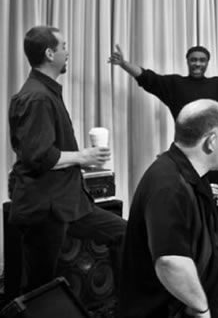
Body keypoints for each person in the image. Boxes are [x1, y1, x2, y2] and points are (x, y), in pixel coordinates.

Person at [8, 25, 126, 294]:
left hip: (66, 202)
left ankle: (127, 305)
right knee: (39, 287)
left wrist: (81, 159)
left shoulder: (44, 92)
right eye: (63, 47)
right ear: (50, 54)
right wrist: (83, 156)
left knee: (123, 233)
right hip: (44, 207)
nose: (67, 52)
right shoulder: (37, 97)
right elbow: (40, 156)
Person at [121, 99, 218, 318]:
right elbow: (170, 262)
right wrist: (202, 309)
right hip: (175, 310)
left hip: (209, 297)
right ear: (211, 141)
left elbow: (201, 242)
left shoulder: (192, 174)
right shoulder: (168, 187)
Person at [108, 44, 218, 184]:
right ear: (187, 61)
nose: (197, 64)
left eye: (202, 60)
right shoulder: (175, 85)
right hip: (186, 157)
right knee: (187, 202)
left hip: (216, 157)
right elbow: (148, 78)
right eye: (193, 60)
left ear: (207, 63)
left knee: (217, 204)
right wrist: (124, 63)